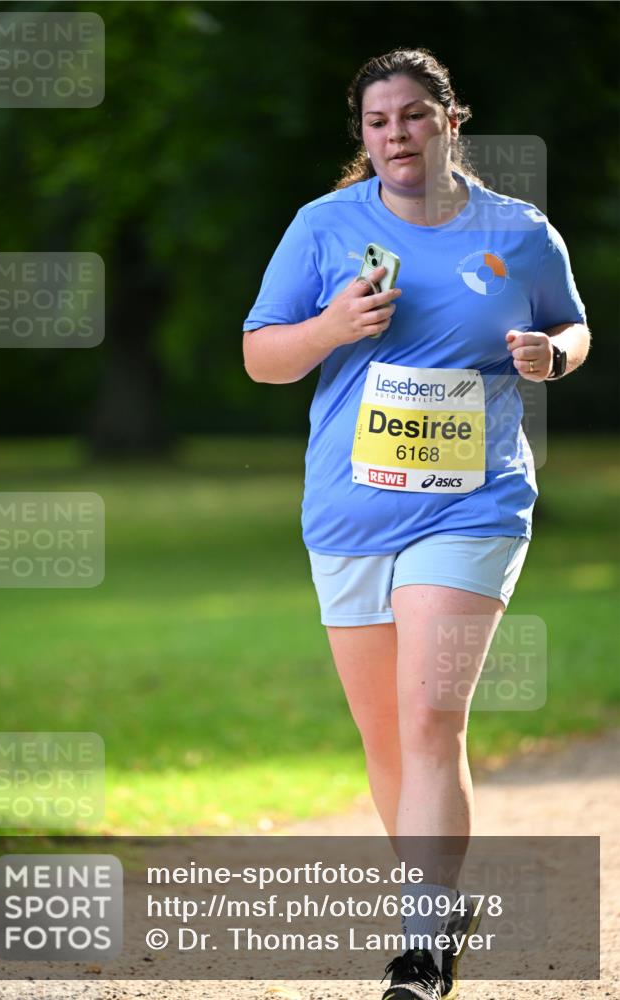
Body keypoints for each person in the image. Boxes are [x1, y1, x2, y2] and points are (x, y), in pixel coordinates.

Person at [242, 47, 590, 1000]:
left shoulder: (518, 233)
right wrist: (330, 330)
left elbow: (574, 324)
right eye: (377, 122)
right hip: (350, 510)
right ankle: (433, 897)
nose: (396, 135)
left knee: (430, 718)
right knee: (387, 739)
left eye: (413, 116)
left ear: (449, 118)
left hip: (471, 505)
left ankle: (419, 946)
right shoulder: (323, 228)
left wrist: (550, 355)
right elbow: (262, 358)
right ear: (362, 136)